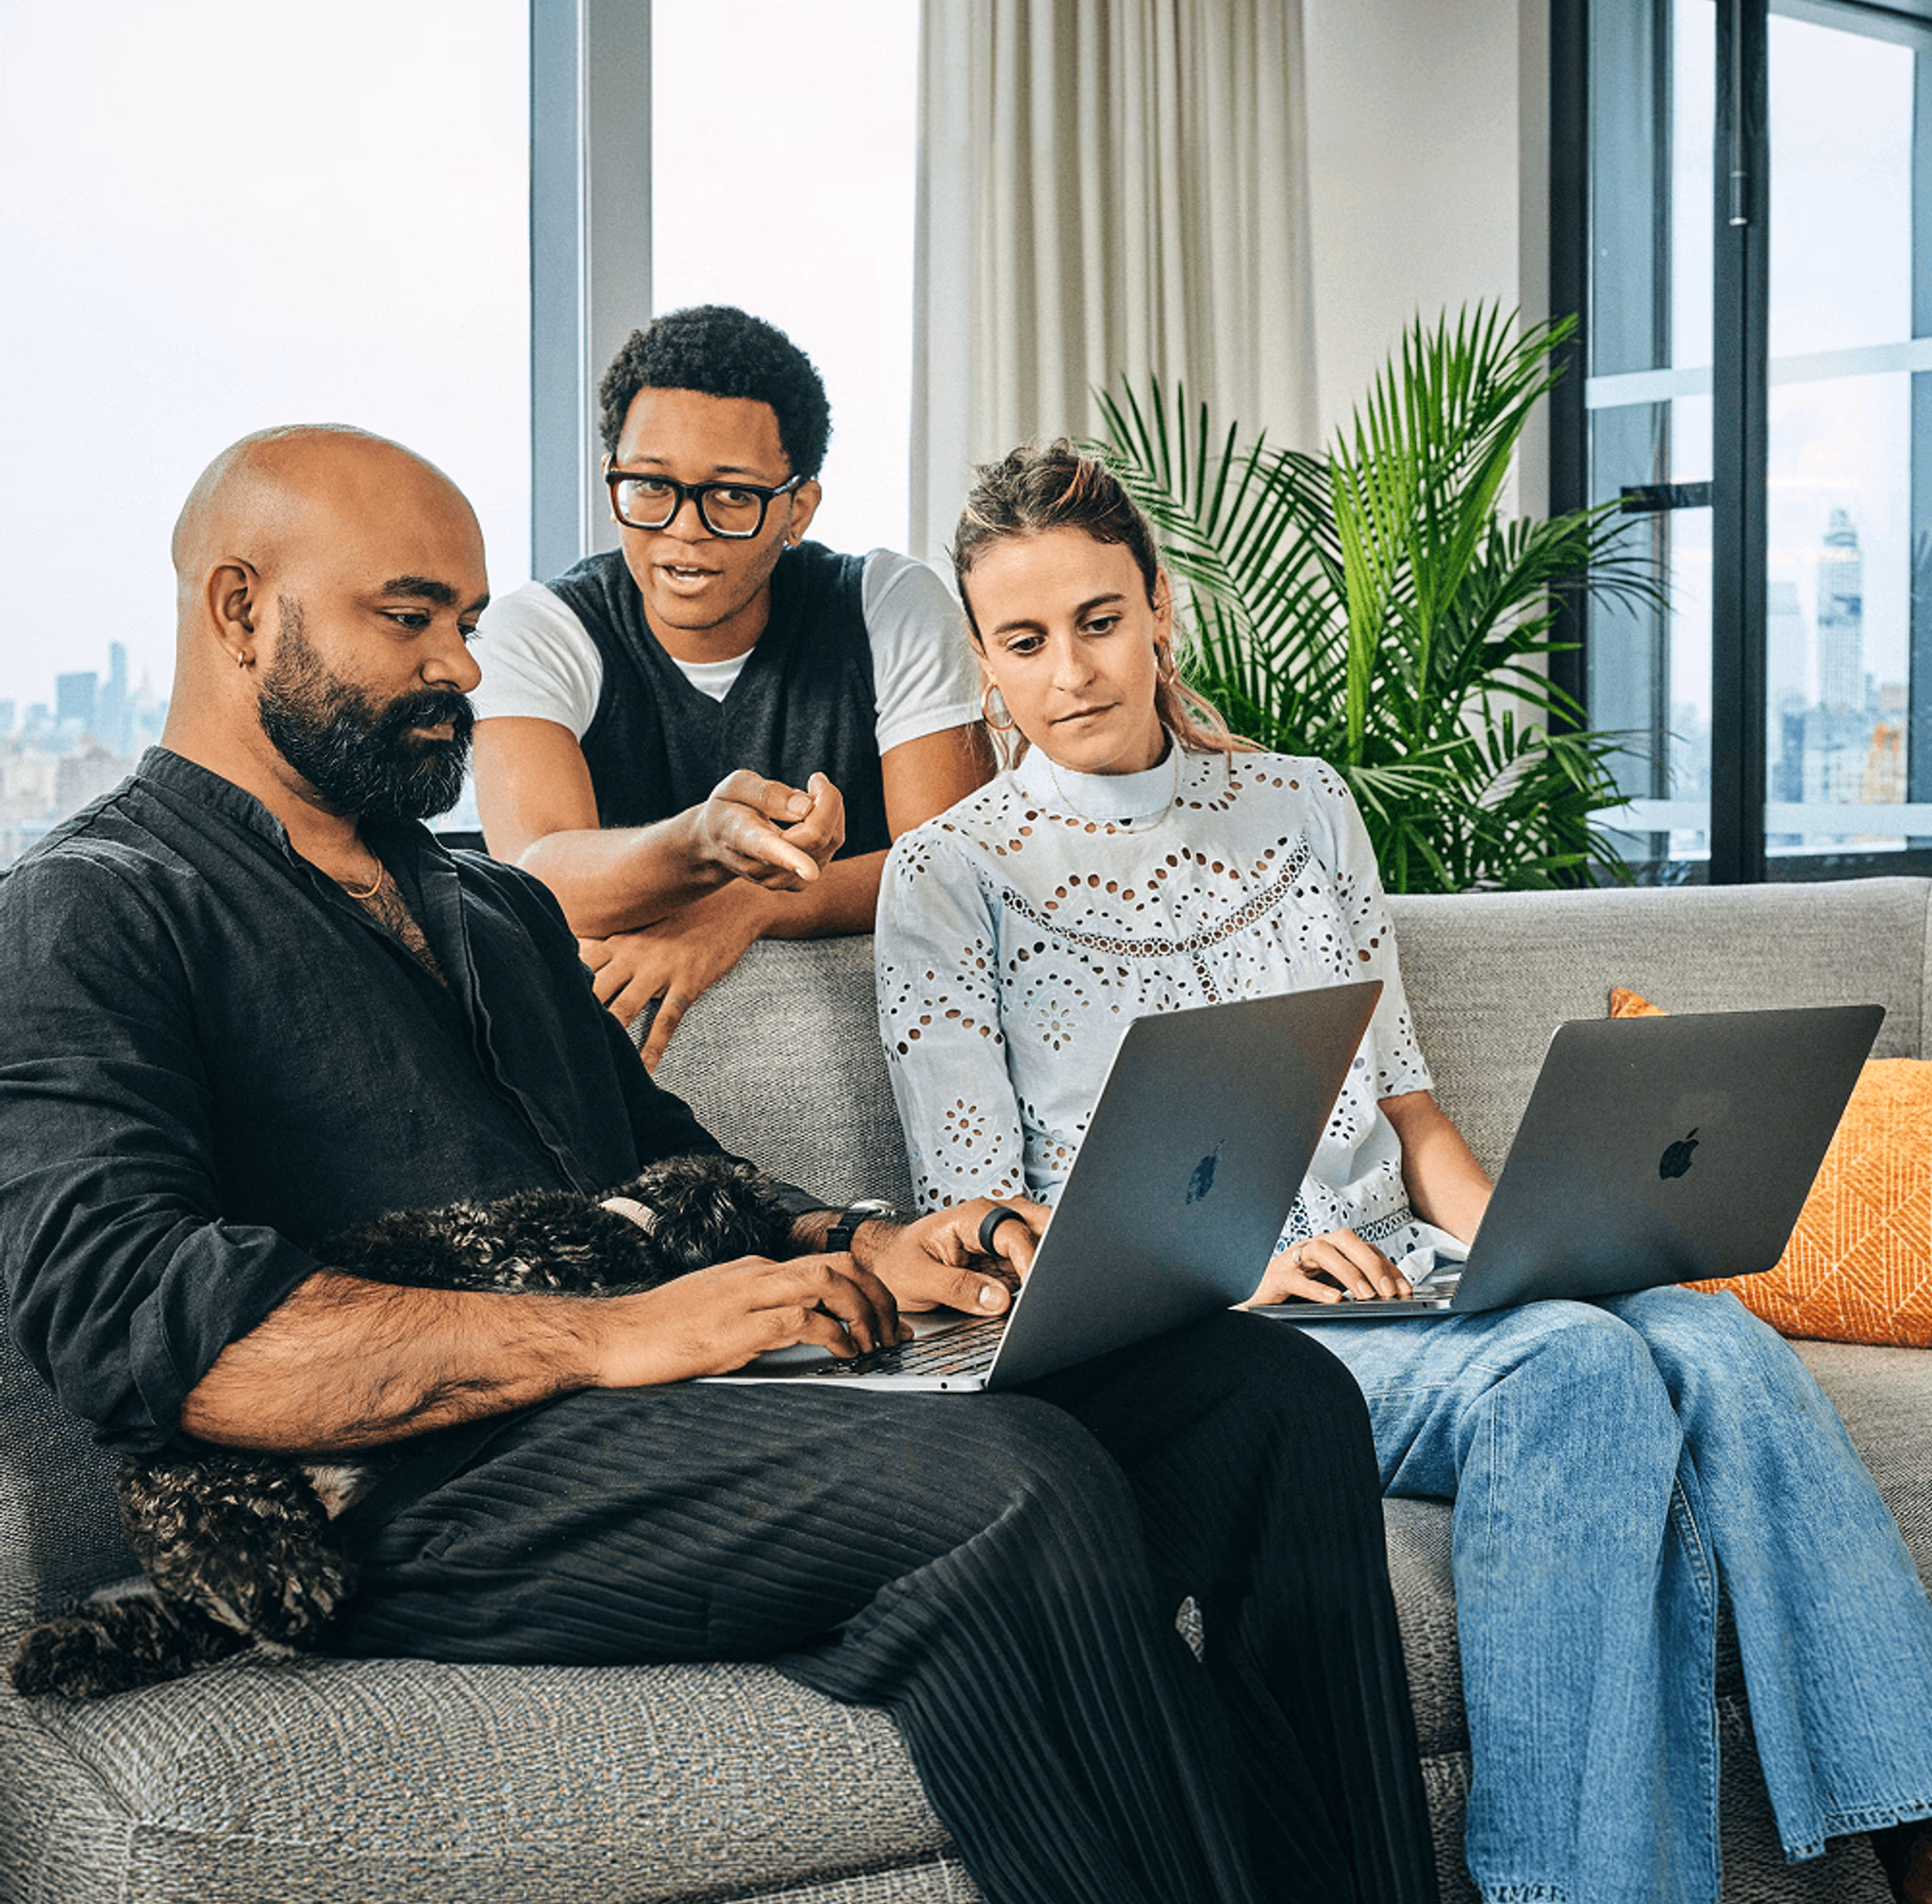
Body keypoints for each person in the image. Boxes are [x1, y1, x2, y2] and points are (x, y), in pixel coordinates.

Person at [0, 425, 1443, 1904]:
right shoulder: (93, 910)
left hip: (662, 1423)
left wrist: (872, 1247)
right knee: (1010, 1484)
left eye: (470, 624)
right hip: (414, 1491)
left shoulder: (488, 907)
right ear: (242, 610)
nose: (461, 669)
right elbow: (153, 1339)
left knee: (1267, 1399)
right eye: (408, 617)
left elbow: (676, 1169)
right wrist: (626, 1332)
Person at [874, 439, 1932, 1904]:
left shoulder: (1305, 805)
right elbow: (981, 1221)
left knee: (1702, 1330)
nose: (1072, 670)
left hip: (1411, 1279)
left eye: (1100, 620)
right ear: (985, 664)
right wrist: (1239, 1266)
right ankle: (1571, 1890)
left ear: (1161, 607)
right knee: (1573, 1370)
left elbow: (1413, 1114)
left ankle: (1912, 1823)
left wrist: (1548, 1244)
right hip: (1218, 1336)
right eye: (1026, 640)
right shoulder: (945, 873)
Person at [472, 305, 991, 1068]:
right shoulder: (538, 630)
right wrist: (706, 845)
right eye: (650, 485)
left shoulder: (888, 604)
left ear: (797, 510)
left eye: (732, 496)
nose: (686, 528)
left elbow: (953, 866)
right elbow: (541, 879)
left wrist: (743, 905)